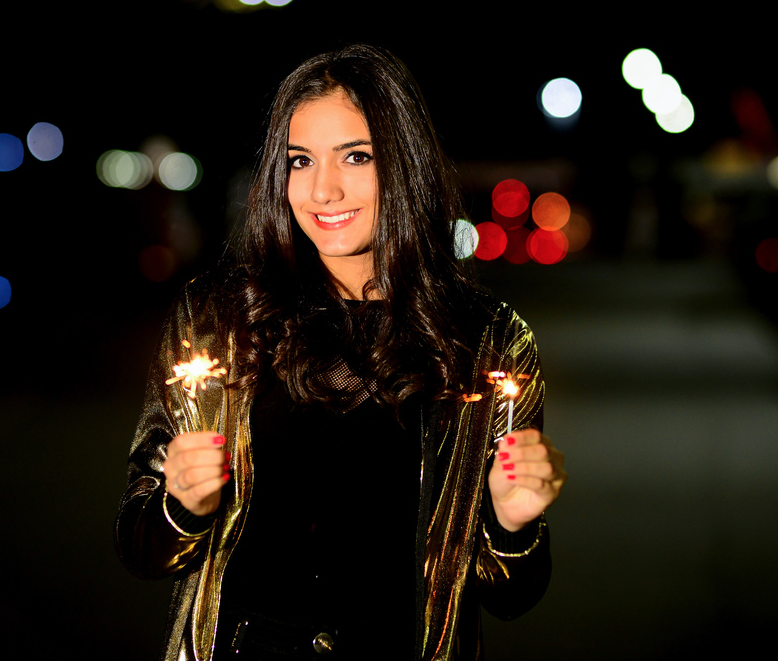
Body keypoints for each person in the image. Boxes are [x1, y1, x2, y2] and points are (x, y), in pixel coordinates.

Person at [116, 44, 567, 660]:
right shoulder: (219, 320)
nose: (323, 189)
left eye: (356, 157)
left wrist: (513, 522)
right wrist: (183, 508)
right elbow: (139, 548)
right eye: (300, 161)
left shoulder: (486, 342)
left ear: (405, 165)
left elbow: (511, 595)